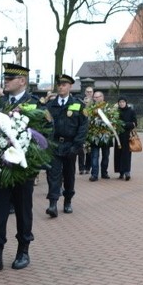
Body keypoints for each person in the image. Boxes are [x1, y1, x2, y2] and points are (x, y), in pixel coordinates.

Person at [0, 63, 42, 274]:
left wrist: (30, 160)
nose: (6, 81)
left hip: (23, 169)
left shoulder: (34, 103)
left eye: (10, 78)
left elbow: (44, 133)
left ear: (22, 81)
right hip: (0, 167)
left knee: (23, 210)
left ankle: (23, 250)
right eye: (5, 78)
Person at [44, 74, 88, 217]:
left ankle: (68, 200)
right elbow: (45, 125)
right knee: (53, 175)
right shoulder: (50, 105)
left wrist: (77, 145)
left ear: (70, 86)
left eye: (64, 85)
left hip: (70, 145)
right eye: (59, 85)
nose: (61, 87)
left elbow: (83, 126)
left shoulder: (78, 104)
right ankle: (52, 204)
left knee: (69, 175)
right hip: (54, 145)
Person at [87, 90, 111, 182]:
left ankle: (104, 172)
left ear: (102, 97)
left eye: (98, 97)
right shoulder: (91, 108)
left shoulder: (108, 108)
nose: (96, 99)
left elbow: (112, 120)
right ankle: (94, 174)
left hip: (106, 135)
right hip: (94, 135)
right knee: (94, 156)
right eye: (95, 97)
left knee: (106, 156)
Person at [113, 96, 138, 180]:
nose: (121, 103)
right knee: (118, 153)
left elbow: (134, 123)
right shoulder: (116, 111)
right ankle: (120, 172)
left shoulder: (131, 111)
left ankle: (127, 172)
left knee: (126, 154)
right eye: (120, 102)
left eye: (123, 102)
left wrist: (124, 124)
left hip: (127, 136)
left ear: (126, 102)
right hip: (118, 136)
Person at [78, 85, 94, 174]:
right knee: (80, 150)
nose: (89, 93)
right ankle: (81, 168)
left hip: (91, 131)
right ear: (85, 92)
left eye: (90, 92)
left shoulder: (95, 104)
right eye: (87, 91)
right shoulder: (80, 103)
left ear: (93, 93)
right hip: (81, 131)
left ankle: (88, 167)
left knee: (89, 151)